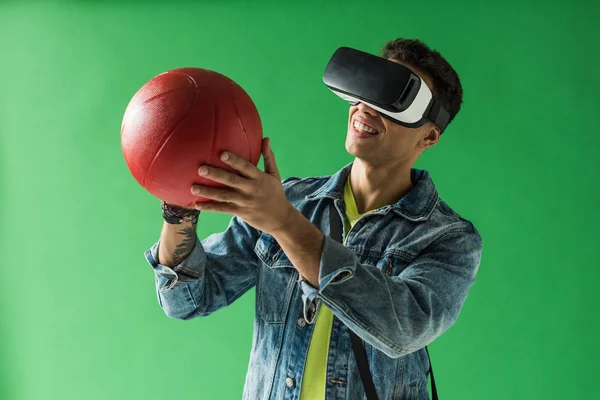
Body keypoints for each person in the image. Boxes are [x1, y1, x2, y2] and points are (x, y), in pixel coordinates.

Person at [145, 38, 483, 400]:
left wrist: (283, 222)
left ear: (429, 135)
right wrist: (179, 207)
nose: (366, 108)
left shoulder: (449, 238)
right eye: (367, 90)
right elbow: (188, 300)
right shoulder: (287, 200)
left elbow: (403, 327)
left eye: (395, 100)